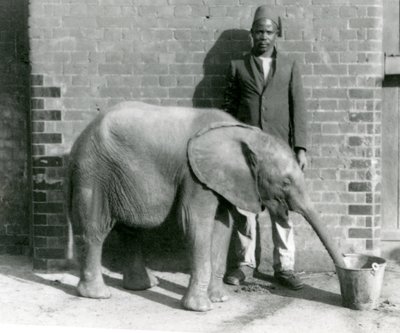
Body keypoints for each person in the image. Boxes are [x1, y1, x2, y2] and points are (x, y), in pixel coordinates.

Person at [222, 5, 308, 290]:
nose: (263, 37)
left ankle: (285, 267)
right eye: (258, 31)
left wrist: (301, 148)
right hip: (246, 152)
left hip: (279, 154)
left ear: (277, 34)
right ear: (252, 34)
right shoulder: (238, 67)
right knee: (245, 209)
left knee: (281, 210)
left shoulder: (289, 67)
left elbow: (299, 111)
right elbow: (228, 110)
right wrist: (230, 143)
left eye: (269, 32)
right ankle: (245, 265)